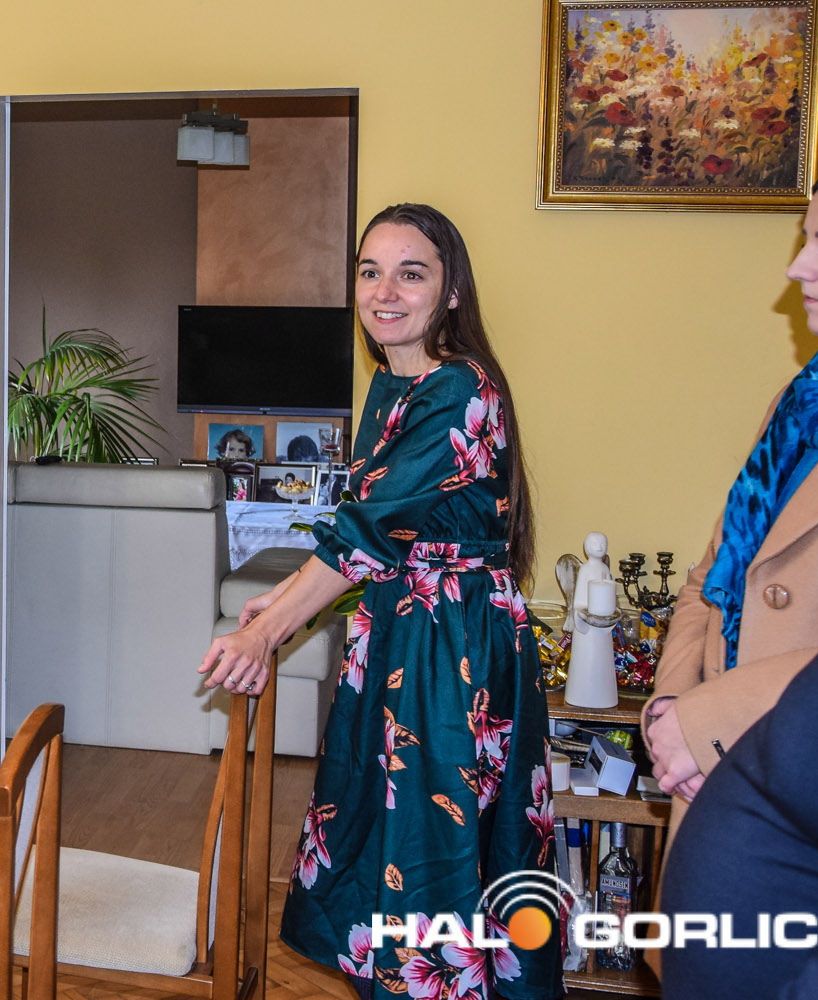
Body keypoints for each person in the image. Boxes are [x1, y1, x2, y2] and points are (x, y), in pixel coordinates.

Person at [199, 204, 559, 999]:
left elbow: (367, 533)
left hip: (448, 651)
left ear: (451, 290)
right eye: (370, 272)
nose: (385, 291)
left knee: (433, 851)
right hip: (402, 636)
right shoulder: (396, 385)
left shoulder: (458, 389)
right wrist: (277, 600)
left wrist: (268, 631)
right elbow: (367, 527)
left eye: (410, 273)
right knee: (388, 840)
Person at [661, 114, 818, 993]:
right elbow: (714, 573)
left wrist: (712, 716)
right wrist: (674, 704)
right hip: (718, 773)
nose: (799, 269)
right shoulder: (800, 401)